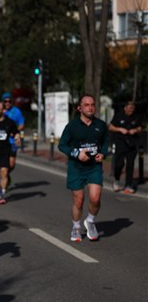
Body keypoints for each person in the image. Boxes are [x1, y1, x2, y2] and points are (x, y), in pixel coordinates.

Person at [58, 94, 109, 242]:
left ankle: (90, 221)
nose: (90, 107)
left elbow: (105, 142)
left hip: (94, 167)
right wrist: (77, 154)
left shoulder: (100, 125)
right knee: (79, 200)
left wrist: (103, 153)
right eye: (86, 105)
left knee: (95, 198)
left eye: (92, 105)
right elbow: (62, 145)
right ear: (80, 108)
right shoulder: (72, 126)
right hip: (76, 168)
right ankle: (76, 227)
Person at [108, 101, 142, 193]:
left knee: (130, 164)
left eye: (133, 109)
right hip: (121, 142)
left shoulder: (136, 116)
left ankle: (128, 185)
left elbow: (140, 127)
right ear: (125, 108)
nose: (131, 110)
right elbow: (110, 127)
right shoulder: (119, 115)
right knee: (119, 163)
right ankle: (116, 180)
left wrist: (135, 130)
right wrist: (120, 129)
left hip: (132, 143)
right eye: (130, 108)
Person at [2, 92, 25, 184]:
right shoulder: (0, 111)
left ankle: (6, 175)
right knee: (2, 163)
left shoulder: (16, 111)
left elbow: (21, 124)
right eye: (5, 101)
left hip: (12, 141)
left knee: (11, 164)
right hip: (1, 142)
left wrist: (15, 131)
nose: (7, 103)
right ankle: (4, 178)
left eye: (9, 101)